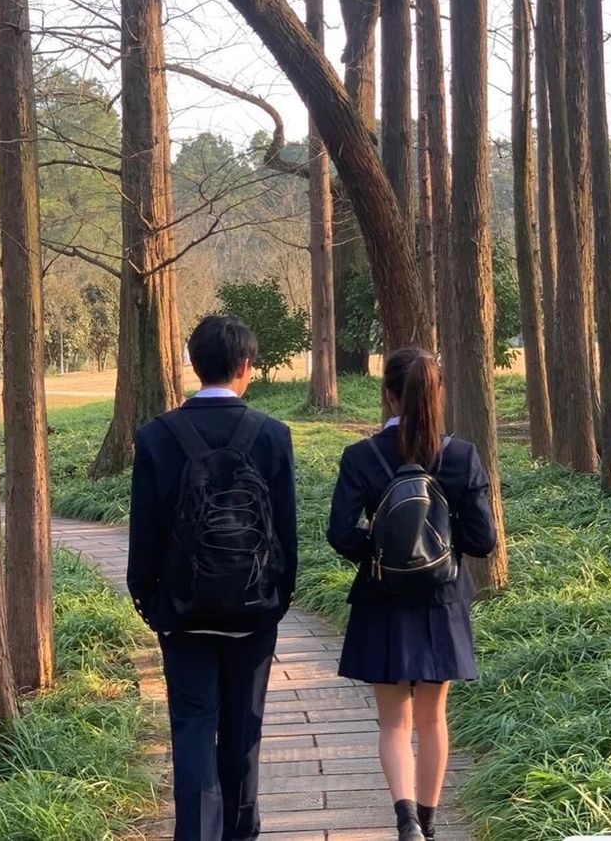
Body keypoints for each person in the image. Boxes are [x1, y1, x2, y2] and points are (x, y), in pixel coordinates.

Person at [128, 315, 298, 841]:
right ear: (246, 366)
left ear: (193, 364)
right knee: (243, 734)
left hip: (182, 613)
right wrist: (276, 599)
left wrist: (149, 600)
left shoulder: (157, 437)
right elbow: (285, 533)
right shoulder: (272, 436)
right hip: (252, 614)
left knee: (193, 730)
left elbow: (145, 531)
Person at [327, 347, 496, 841]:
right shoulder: (461, 456)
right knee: (432, 718)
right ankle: (428, 822)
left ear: (387, 395)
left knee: (393, 723)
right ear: (437, 394)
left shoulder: (362, 456)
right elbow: (483, 540)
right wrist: (441, 547)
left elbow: (340, 534)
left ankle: (404, 821)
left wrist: (379, 551)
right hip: (441, 600)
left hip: (382, 598)